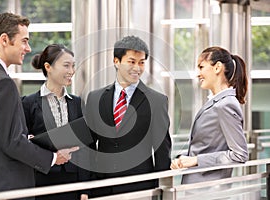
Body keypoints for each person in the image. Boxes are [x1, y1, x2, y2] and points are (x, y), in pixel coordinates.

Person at [0, 13, 78, 198]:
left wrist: (22, 136)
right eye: (24, 41)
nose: (28, 48)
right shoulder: (2, 83)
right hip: (5, 185)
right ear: (4, 39)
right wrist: (53, 158)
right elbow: (13, 143)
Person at [85, 35, 172, 197]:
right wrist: (86, 187)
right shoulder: (95, 98)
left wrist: (161, 191)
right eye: (131, 62)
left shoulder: (156, 101)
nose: (137, 68)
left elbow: (162, 150)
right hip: (102, 187)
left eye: (141, 62)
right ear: (116, 62)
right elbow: (89, 146)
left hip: (140, 188)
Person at [171, 46, 249, 185]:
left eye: (201, 67)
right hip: (200, 188)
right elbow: (207, 145)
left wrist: (196, 160)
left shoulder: (225, 104)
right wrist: (183, 159)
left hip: (209, 190)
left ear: (217, 67)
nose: (198, 74)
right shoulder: (217, 102)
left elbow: (239, 155)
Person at [22, 44, 89, 200]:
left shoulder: (77, 103)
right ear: (48, 67)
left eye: (73, 66)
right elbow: (23, 145)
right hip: (42, 182)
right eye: (66, 65)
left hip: (73, 183)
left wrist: (85, 189)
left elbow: (86, 147)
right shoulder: (28, 103)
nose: (71, 71)